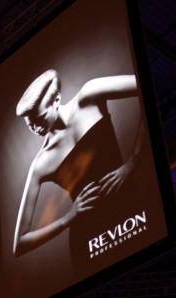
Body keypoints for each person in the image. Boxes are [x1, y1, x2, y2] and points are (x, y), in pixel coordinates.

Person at [13, 68, 145, 276]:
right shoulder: (41, 163)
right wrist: (67, 218)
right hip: (88, 238)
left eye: (40, 119)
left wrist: (132, 162)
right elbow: (19, 244)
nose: (37, 129)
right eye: (31, 126)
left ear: (56, 100)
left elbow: (145, 83)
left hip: (131, 211)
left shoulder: (89, 96)